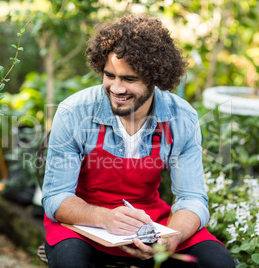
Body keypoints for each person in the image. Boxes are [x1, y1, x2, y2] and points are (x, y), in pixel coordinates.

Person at [41, 15, 235, 268]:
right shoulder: (74, 112)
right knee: (71, 260)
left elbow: (192, 197)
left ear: (154, 78)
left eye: (129, 79)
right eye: (110, 76)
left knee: (218, 263)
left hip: (148, 224)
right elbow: (56, 196)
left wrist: (171, 238)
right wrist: (105, 218)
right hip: (84, 225)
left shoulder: (182, 117)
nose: (116, 88)